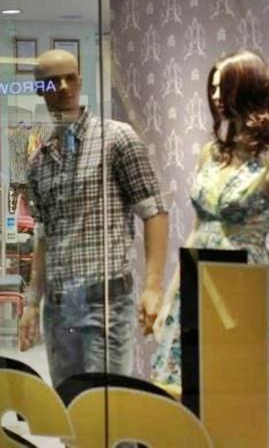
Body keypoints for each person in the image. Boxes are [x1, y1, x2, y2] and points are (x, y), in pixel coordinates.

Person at [152, 50, 269, 389]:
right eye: (214, 88)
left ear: (251, 88)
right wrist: (170, 297)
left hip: (242, 286)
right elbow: (197, 231)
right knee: (188, 391)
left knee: (236, 394)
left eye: (226, 87)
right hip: (196, 283)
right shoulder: (211, 155)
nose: (217, 97)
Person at [19, 49, 169, 390]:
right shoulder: (39, 162)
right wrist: (31, 303)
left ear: (80, 80)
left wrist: (152, 285)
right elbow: (44, 235)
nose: (64, 86)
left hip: (104, 303)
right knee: (70, 413)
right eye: (53, 81)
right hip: (58, 308)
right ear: (40, 89)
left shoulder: (116, 139)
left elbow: (154, 211)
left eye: (70, 77)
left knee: (107, 412)